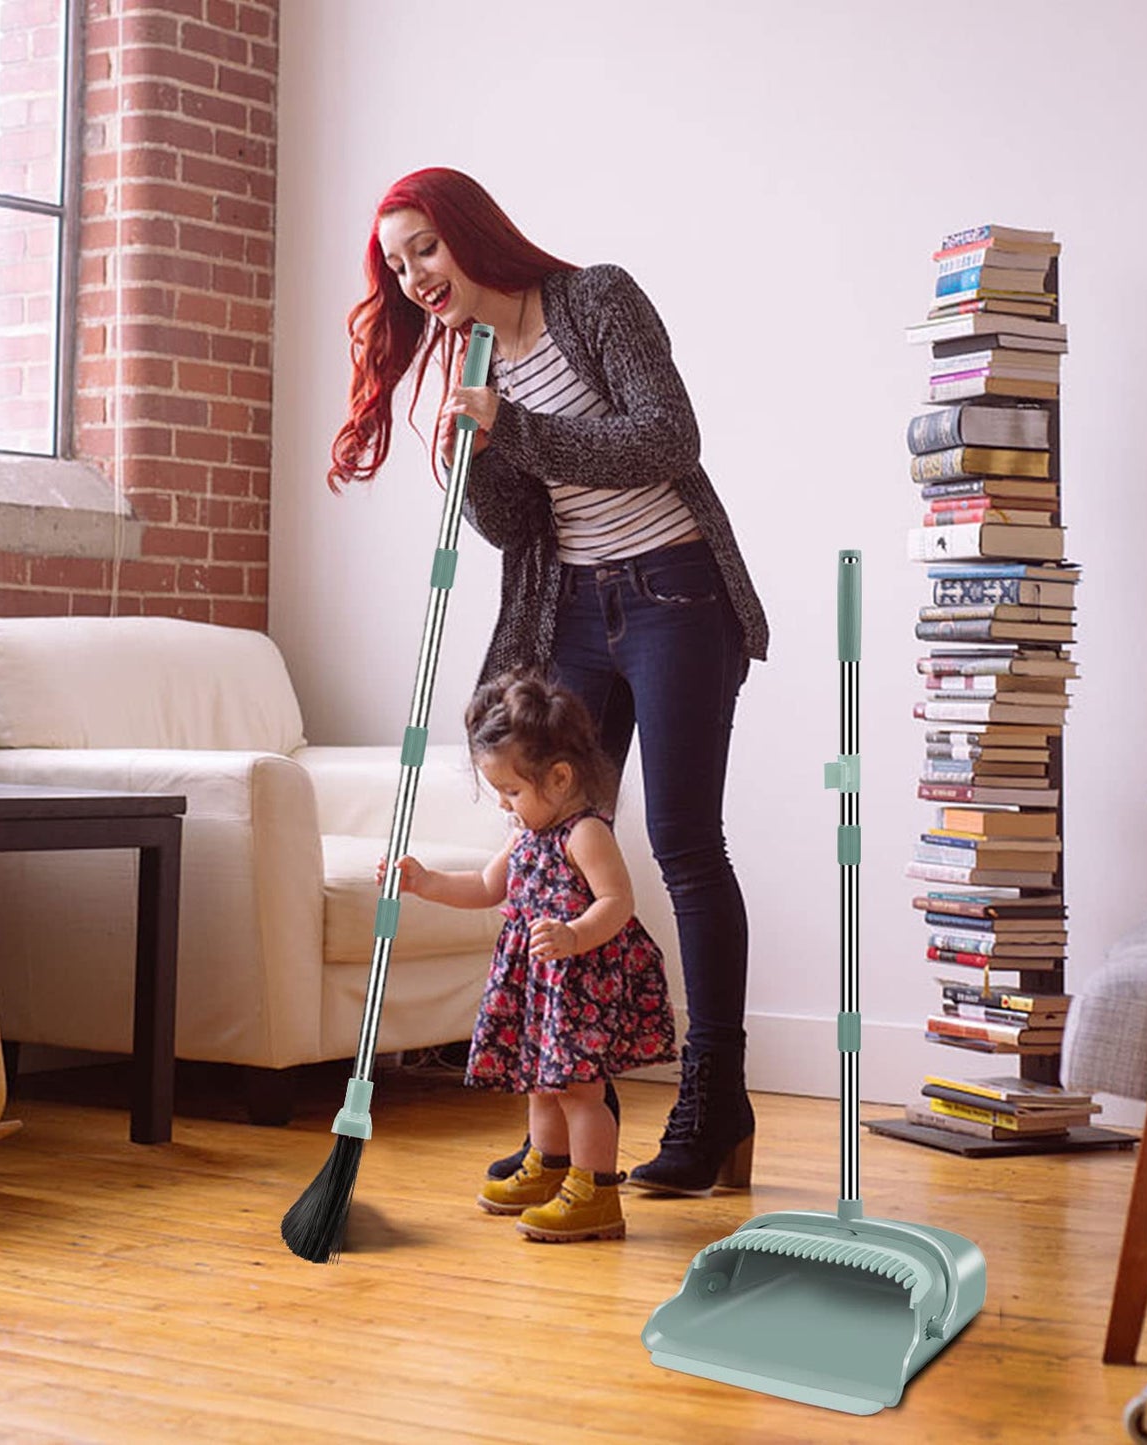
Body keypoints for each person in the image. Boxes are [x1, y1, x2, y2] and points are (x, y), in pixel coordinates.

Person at [332, 167, 769, 1197]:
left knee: (682, 843)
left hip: (674, 594)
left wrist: (513, 425)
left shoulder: (594, 299)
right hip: (568, 604)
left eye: (424, 248)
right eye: (398, 266)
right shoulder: (467, 358)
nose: (415, 277)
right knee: (552, 846)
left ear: (470, 233)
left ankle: (716, 1098)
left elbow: (667, 437)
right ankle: (582, 1119)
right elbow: (520, 526)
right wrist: (474, 456)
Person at [380, 670, 676, 1242]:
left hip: (578, 984)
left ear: (560, 778)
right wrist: (426, 881)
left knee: (581, 1092)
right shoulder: (523, 836)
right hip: (540, 985)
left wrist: (574, 934)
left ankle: (596, 1194)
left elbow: (618, 901)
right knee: (542, 1085)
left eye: (512, 791)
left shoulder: (584, 833)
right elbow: (486, 888)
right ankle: (549, 1166)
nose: (504, 804)